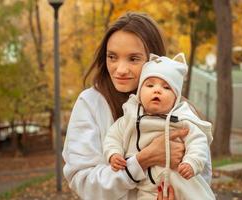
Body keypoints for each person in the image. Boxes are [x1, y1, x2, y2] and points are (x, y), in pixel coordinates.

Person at [62, 12, 211, 200]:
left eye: (133, 59)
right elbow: (82, 182)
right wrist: (142, 161)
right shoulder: (91, 103)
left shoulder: (179, 109)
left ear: (154, 60)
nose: (120, 70)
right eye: (112, 57)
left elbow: (202, 175)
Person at [104, 53, 215, 200]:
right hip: (147, 186)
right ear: (139, 92)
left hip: (182, 182)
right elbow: (113, 136)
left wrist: (192, 162)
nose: (157, 90)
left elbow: (198, 141)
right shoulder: (130, 117)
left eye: (166, 87)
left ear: (176, 97)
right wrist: (113, 153)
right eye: (150, 85)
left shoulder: (182, 118)